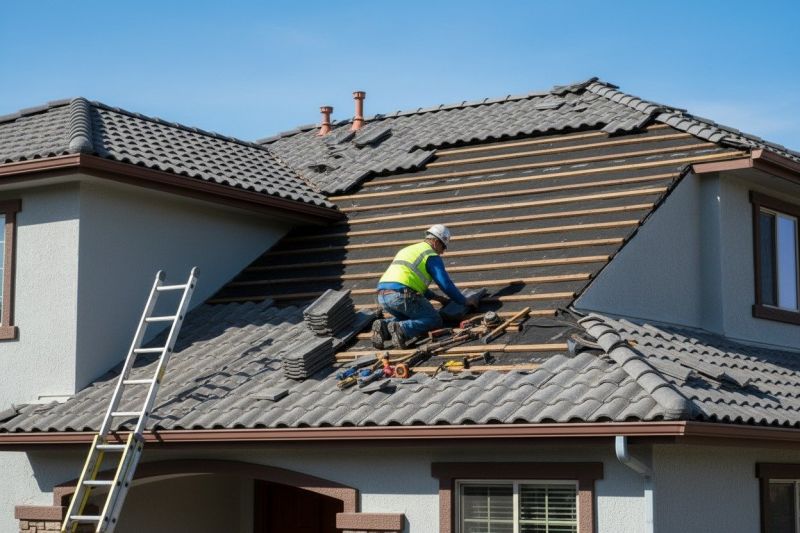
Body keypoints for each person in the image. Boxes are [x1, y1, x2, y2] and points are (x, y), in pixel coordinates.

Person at [372, 224, 479, 349]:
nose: (443, 251)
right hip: (401, 295)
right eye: (443, 246)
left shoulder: (408, 249)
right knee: (434, 319)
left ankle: (384, 326)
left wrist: (437, 298)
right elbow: (445, 284)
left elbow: (411, 280)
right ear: (435, 241)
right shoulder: (431, 255)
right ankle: (402, 329)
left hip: (383, 296)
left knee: (411, 316)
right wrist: (464, 301)